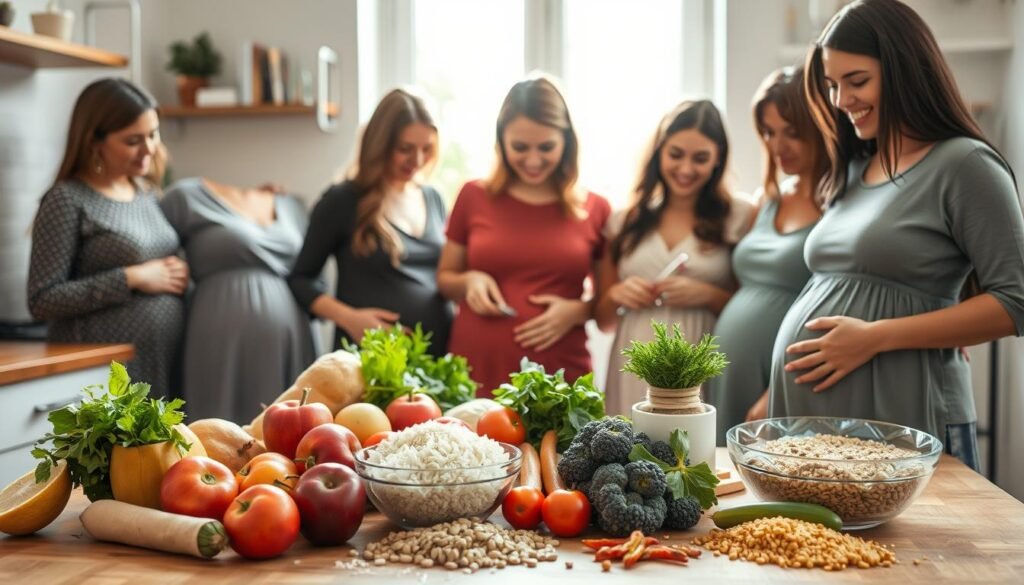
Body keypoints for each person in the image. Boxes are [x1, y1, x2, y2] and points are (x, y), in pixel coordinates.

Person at [772, 0, 1024, 470]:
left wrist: (875, 337)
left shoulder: (964, 164)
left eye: (857, 81)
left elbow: (1015, 301)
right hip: (816, 423)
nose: (841, 100)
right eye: (832, 85)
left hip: (909, 411)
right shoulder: (853, 169)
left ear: (905, 71)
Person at [438, 75, 611, 395]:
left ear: (567, 142)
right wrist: (469, 280)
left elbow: (608, 313)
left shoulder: (596, 208)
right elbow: (445, 279)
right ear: (501, 141)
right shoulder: (472, 196)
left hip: (562, 376)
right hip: (478, 370)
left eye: (546, 147)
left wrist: (577, 310)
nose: (533, 160)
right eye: (520, 147)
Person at [27, 78, 185, 396]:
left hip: (163, 362)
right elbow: (41, 299)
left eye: (153, 134)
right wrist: (130, 278)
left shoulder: (145, 193)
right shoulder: (67, 199)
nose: (149, 149)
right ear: (94, 141)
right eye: (132, 140)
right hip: (108, 377)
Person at [595, 100, 753, 416]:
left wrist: (710, 295)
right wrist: (616, 295)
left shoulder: (738, 216)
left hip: (700, 355)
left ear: (718, 159)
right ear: (659, 152)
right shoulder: (624, 221)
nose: (685, 169)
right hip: (632, 355)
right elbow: (603, 319)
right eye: (676, 154)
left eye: (700, 158)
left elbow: (751, 305)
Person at [706, 66, 828, 444]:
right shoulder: (767, 200)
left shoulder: (838, 206)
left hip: (783, 378)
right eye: (769, 132)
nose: (778, 146)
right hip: (728, 370)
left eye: (792, 132)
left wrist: (778, 389)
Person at [288, 88, 452, 355]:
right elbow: (300, 280)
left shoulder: (433, 198)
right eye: (405, 149)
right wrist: (350, 319)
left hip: (436, 362)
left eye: (427, 149)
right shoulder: (343, 200)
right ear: (380, 145)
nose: (418, 160)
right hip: (370, 362)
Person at [160, 177, 317, 422]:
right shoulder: (184, 198)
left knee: (289, 432)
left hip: (291, 340)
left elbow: (312, 277)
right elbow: (149, 249)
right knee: (216, 434)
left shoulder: (293, 206)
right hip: (219, 339)